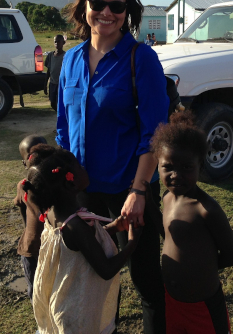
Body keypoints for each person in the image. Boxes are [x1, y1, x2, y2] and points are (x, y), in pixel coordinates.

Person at [58, 0, 169, 333]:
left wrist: (139, 191)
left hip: (128, 192)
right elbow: (63, 130)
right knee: (97, 282)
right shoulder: (71, 60)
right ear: (84, 6)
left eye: (117, 6)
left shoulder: (141, 59)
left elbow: (155, 133)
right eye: (98, 3)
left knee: (145, 280)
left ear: (127, 11)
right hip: (84, 194)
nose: (107, 12)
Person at [23, 145, 142, 334]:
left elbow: (82, 246)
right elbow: (106, 269)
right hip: (79, 316)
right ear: (70, 183)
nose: (84, 168)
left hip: (65, 304)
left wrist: (114, 227)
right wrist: (132, 244)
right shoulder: (75, 225)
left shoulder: (54, 215)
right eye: (79, 167)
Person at [143, 111, 233, 334]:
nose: (176, 175)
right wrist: (149, 204)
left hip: (202, 307)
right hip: (173, 302)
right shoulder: (167, 199)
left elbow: (231, 256)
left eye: (186, 167)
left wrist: (198, 270)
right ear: (158, 165)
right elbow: (168, 234)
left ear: (200, 166)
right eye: (168, 167)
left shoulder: (206, 210)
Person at [13, 135, 48, 302]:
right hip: (31, 248)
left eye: (44, 153)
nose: (39, 158)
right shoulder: (23, 186)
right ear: (24, 163)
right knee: (35, 290)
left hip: (52, 247)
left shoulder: (56, 182)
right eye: (32, 155)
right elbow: (21, 206)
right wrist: (28, 232)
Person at [44, 35, 66, 111]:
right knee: (52, 102)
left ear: (63, 43)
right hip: (53, 83)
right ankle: (58, 112)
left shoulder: (66, 56)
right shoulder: (50, 56)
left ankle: (60, 115)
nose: (57, 43)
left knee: (61, 101)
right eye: (55, 42)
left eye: (59, 41)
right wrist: (45, 84)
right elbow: (48, 71)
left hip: (62, 84)